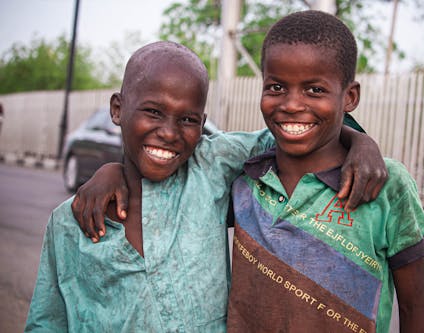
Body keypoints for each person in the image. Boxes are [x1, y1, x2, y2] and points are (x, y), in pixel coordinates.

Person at [25, 41, 386, 332]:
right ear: (118, 109)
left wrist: (359, 141)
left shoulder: (211, 166)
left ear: (202, 124)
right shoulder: (68, 221)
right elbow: (46, 320)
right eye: (152, 111)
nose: (168, 132)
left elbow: (293, 130)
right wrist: (111, 168)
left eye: (187, 119)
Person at [226, 10, 424, 333]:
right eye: (276, 87)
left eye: (314, 90)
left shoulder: (385, 182)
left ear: (349, 97)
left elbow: (414, 303)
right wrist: (116, 171)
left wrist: (360, 141)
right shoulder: (245, 176)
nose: (292, 104)